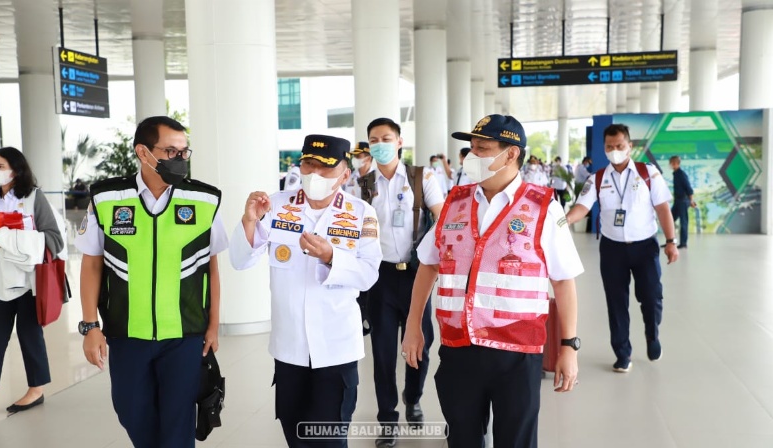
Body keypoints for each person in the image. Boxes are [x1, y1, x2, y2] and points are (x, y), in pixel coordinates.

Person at [402, 114, 582, 448]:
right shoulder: (455, 203)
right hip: (458, 349)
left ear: (510, 154)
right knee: (462, 439)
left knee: (515, 441)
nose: (472, 156)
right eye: (471, 149)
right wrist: (414, 325)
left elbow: (564, 281)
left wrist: (568, 347)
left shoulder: (543, 207)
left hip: (517, 353)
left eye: (483, 149)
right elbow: (428, 264)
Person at [76, 116, 228, 447]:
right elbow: (91, 266)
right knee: (132, 413)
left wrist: (214, 325)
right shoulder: (107, 199)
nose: (180, 159)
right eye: (171, 151)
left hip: (185, 335)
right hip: (127, 333)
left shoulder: (204, 200)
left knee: (178, 425)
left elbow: (211, 267)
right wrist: (91, 326)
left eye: (184, 152)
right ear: (143, 152)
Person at [229, 134, 382, 448]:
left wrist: (331, 257)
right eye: (308, 165)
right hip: (290, 349)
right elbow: (240, 261)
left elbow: (367, 275)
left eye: (324, 168)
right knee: (295, 436)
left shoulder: (361, 212)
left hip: (336, 350)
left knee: (329, 440)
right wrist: (248, 220)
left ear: (345, 174)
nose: (314, 174)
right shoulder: (275, 204)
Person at [566, 123, 678, 373]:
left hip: (645, 247)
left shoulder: (648, 173)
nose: (614, 150)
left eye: (619, 146)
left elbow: (662, 208)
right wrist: (564, 220)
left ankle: (652, 334)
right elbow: (582, 207)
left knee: (651, 297)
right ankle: (622, 352)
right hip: (612, 249)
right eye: (609, 146)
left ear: (630, 146)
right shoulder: (598, 178)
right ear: (604, 148)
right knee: (616, 302)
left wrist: (671, 242)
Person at [365, 117, 444, 447]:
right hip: (379, 277)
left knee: (420, 345)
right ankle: (387, 419)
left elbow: (441, 217)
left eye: (386, 137)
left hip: (415, 274)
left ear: (399, 142)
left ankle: (413, 398)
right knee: (382, 354)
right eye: (373, 139)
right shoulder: (363, 183)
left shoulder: (420, 176)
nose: (380, 144)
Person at [0, 147, 63, 416]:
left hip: (30, 283)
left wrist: (12, 238)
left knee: (30, 335)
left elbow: (54, 239)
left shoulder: (34, 197)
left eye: (0, 166)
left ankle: (36, 390)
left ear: (16, 168)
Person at [669, 156, 695, 249]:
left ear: (676, 163)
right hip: (677, 201)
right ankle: (671, 242)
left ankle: (683, 243)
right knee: (670, 220)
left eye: (672, 163)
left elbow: (689, 188)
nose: (670, 164)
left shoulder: (681, 174)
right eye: (670, 163)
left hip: (683, 201)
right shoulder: (675, 174)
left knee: (683, 222)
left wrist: (691, 200)